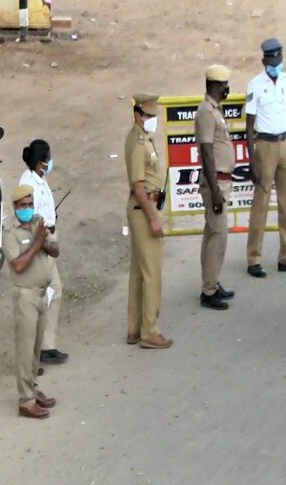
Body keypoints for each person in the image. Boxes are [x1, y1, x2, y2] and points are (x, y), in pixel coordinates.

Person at [245, 37, 286, 278]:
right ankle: (254, 259)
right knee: (260, 204)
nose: (277, 64)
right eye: (273, 60)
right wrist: (252, 159)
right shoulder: (254, 84)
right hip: (265, 146)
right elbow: (249, 124)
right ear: (264, 61)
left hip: (284, 144)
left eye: (279, 59)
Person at [5, 184, 58, 419]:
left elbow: (55, 250)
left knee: (36, 347)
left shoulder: (38, 222)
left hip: (41, 294)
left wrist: (44, 240)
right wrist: (37, 242)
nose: (27, 209)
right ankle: (25, 400)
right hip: (25, 295)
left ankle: (33, 388)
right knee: (25, 350)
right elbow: (18, 264)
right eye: (23, 205)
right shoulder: (10, 232)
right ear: (15, 207)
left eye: (30, 204)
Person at [124, 93, 172, 349]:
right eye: (149, 115)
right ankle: (149, 331)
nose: (153, 120)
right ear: (138, 115)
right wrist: (154, 219)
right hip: (144, 208)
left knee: (139, 271)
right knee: (152, 272)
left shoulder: (143, 138)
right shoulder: (137, 142)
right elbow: (138, 186)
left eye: (154, 116)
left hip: (144, 207)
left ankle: (135, 328)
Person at [18, 140, 69, 365]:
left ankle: (46, 346)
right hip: (39, 243)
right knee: (43, 296)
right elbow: (28, 217)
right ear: (41, 162)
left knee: (54, 292)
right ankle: (35, 353)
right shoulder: (28, 183)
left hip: (47, 238)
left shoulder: (38, 179)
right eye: (49, 157)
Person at [195, 64, 236, 310]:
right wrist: (216, 192)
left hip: (221, 180)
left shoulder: (215, 110)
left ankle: (212, 281)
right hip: (215, 183)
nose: (227, 89)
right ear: (217, 86)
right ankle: (208, 291)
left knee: (213, 233)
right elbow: (207, 153)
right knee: (218, 235)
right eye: (225, 86)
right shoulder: (206, 113)